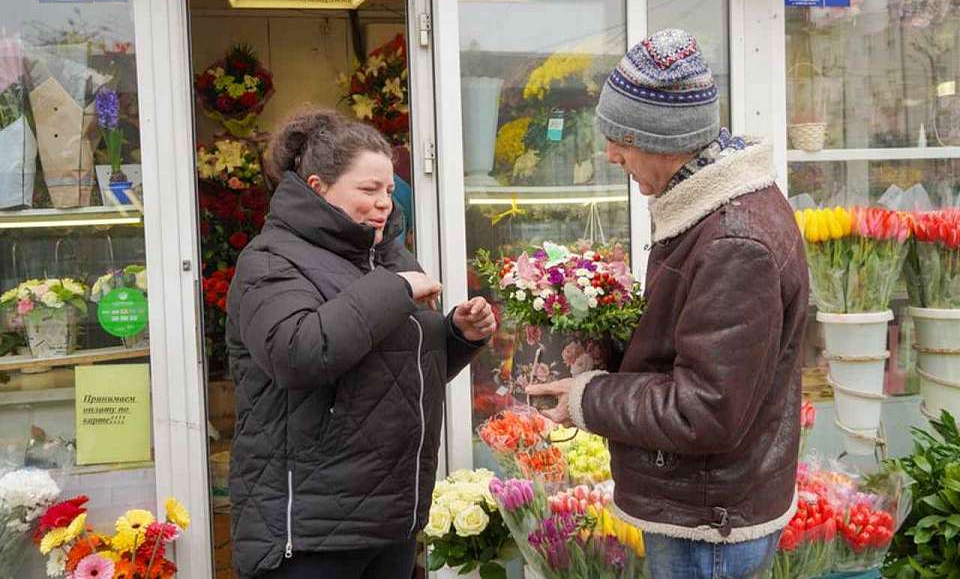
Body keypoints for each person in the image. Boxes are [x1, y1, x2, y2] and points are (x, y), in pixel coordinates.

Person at [526, 29, 809, 579]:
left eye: (622, 139)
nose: (611, 155)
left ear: (663, 139)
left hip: (710, 522)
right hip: (707, 503)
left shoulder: (733, 241)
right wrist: (606, 333)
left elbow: (705, 409)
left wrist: (588, 398)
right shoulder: (709, 212)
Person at [226, 108, 497, 579]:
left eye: (389, 190)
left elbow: (394, 367)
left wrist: (456, 335)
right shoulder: (270, 261)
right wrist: (395, 290)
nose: (384, 204)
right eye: (368, 190)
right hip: (311, 534)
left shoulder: (387, 254)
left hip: (389, 521)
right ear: (318, 187)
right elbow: (298, 353)